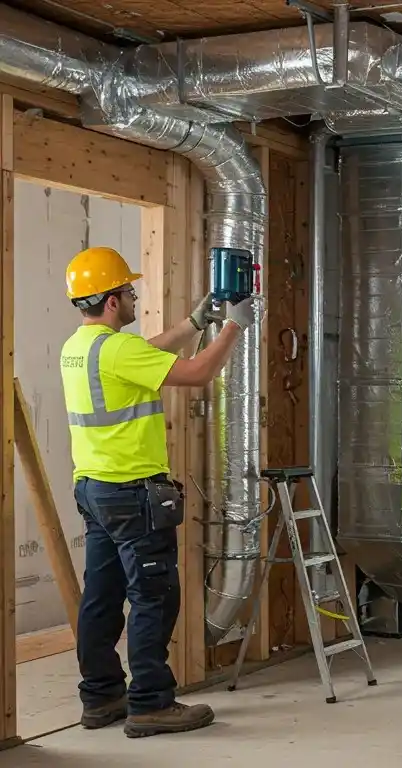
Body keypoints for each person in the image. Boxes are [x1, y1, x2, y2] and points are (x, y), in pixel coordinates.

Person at [60, 246, 260, 738]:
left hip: (95, 489)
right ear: (110, 300)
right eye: (128, 291)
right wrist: (234, 326)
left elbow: (147, 352)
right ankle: (151, 703)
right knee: (153, 596)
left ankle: (102, 697)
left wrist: (196, 321)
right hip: (133, 493)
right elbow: (196, 374)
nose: (132, 296)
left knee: (102, 597)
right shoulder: (118, 350)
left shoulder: (82, 347)